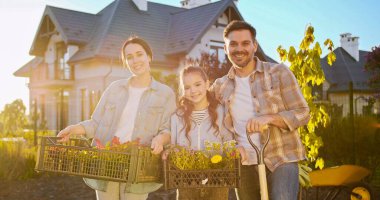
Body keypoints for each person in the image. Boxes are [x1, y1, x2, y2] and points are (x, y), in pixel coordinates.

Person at [57, 36, 176, 200]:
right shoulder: (114, 89)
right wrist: (74, 129)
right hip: (107, 162)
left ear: (149, 57)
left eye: (139, 54)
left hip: (138, 167)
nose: (135, 60)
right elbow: (95, 123)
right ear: (125, 62)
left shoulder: (165, 93)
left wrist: (161, 139)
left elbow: (168, 128)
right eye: (129, 57)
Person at [210, 20, 310, 200]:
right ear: (225, 48)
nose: (239, 49)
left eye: (245, 43)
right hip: (243, 162)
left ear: (254, 46)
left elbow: (303, 113)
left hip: (280, 157)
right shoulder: (220, 86)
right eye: (233, 44)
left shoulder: (278, 73)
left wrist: (270, 118)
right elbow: (206, 119)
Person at [169, 66, 234, 200]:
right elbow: (173, 146)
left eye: (197, 84)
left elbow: (228, 140)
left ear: (207, 84)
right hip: (186, 181)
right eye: (187, 87)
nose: (193, 90)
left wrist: (230, 158)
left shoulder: (220, 111)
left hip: (217, 180)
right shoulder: (177, 117)